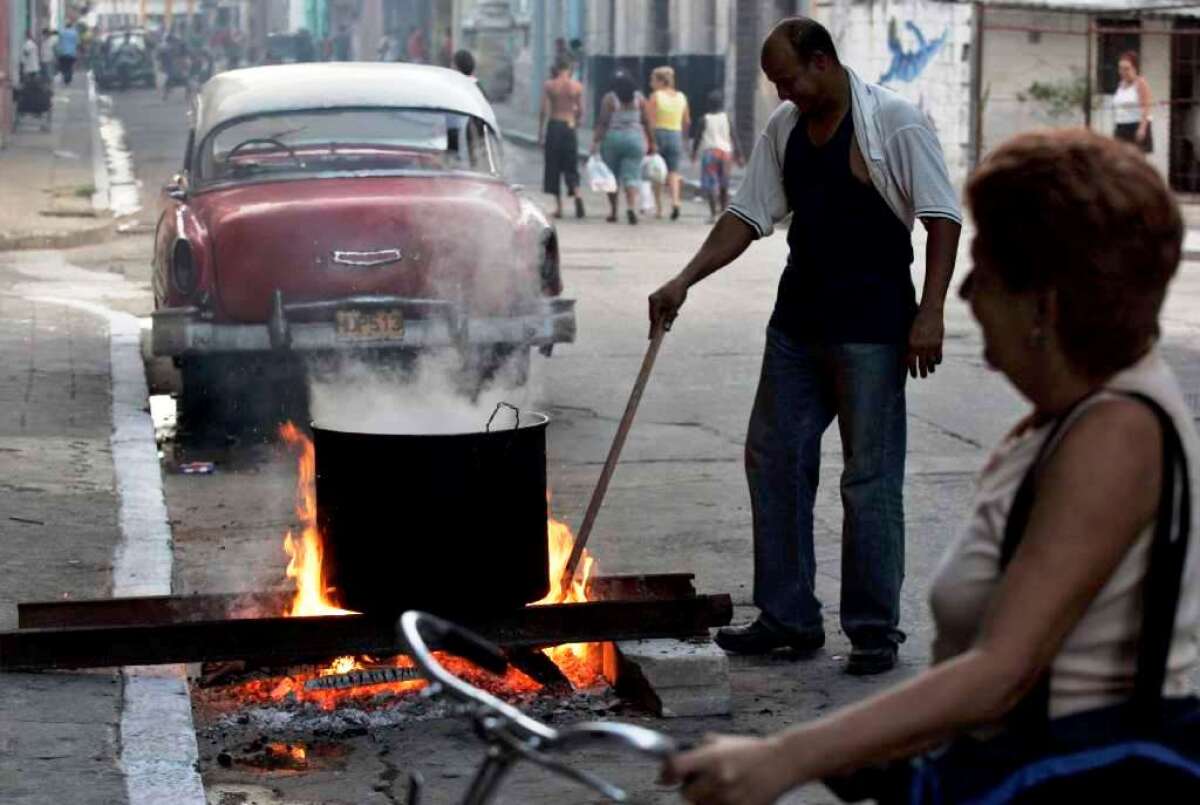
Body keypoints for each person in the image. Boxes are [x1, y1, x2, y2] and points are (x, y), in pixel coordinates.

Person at [664, 127, 1200, 805]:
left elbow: (1001, 672)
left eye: (983, 271)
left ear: (1047, 305)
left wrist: (786, 754)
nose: (967, 295)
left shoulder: (1119, 433)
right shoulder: (1065, 415)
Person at [649, 17, 962, 675]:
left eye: (788, 78)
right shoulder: (786, 131)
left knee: (867, 480)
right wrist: (683, 280)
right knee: (774, 457)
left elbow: (942, 218)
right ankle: (789, 615)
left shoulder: (894, 122)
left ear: (822, 61)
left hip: (873, 330)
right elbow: (746, 215)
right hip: (797, 326)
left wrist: (930, 312)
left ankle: (874, 630)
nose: (783, 93)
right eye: (775, 83)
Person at [592, 70, 655, 225]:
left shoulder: (609, 99)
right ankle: (631, 208)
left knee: (611, 178)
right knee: (631, 176)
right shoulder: (640, 98)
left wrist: (595, 141)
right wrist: (653, 142)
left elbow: (603, 122)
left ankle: (613, 212)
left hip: (613, 140)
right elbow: (647, 122)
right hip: (635, 140)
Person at [539, 59, 586, 219]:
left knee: (553, 165)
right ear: (569, 69)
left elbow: (543, 109)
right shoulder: (577, 86)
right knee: (571, 164)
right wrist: (576, 122)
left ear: (556, 69)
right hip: (569, 125)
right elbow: (580, 110)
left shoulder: (550, 85)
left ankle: (559, 207)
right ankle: (578, 196)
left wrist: (541, 132)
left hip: (554, 125)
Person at [691, 89, 743, 223]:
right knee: (724, 184)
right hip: (726, 154)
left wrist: (693, 153)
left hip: (710, 154)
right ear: (722, 104)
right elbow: (734, 137)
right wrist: (740, 156)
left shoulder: (704, 119)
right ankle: (724, 214)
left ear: (708, 104)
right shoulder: (727, 118)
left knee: (711, 184)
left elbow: (697, 138)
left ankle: (713, 215)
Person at [646, 66, 691, 220]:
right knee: (673, 172)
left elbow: (650, 121)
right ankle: (676, 202)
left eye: (652, 80)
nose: (651, 83)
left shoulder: (655, 96)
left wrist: (651, 141)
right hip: (675, 134)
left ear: (659, 81)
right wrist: (684, 138)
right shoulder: (681, 97)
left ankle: (659, 209)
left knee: (656, 172)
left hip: (659, 133)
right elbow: (687, 121)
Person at [1113, 50, 1153, 154]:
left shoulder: (1140, 83)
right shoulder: (1120, 85)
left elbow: (1146, 107)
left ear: (1135, 68)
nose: (1123, 72)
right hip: (1121, 126)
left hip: (1136, 125)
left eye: (1126, 69)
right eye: (1120, 69)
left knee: (1136, 160)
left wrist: (1142, 129)